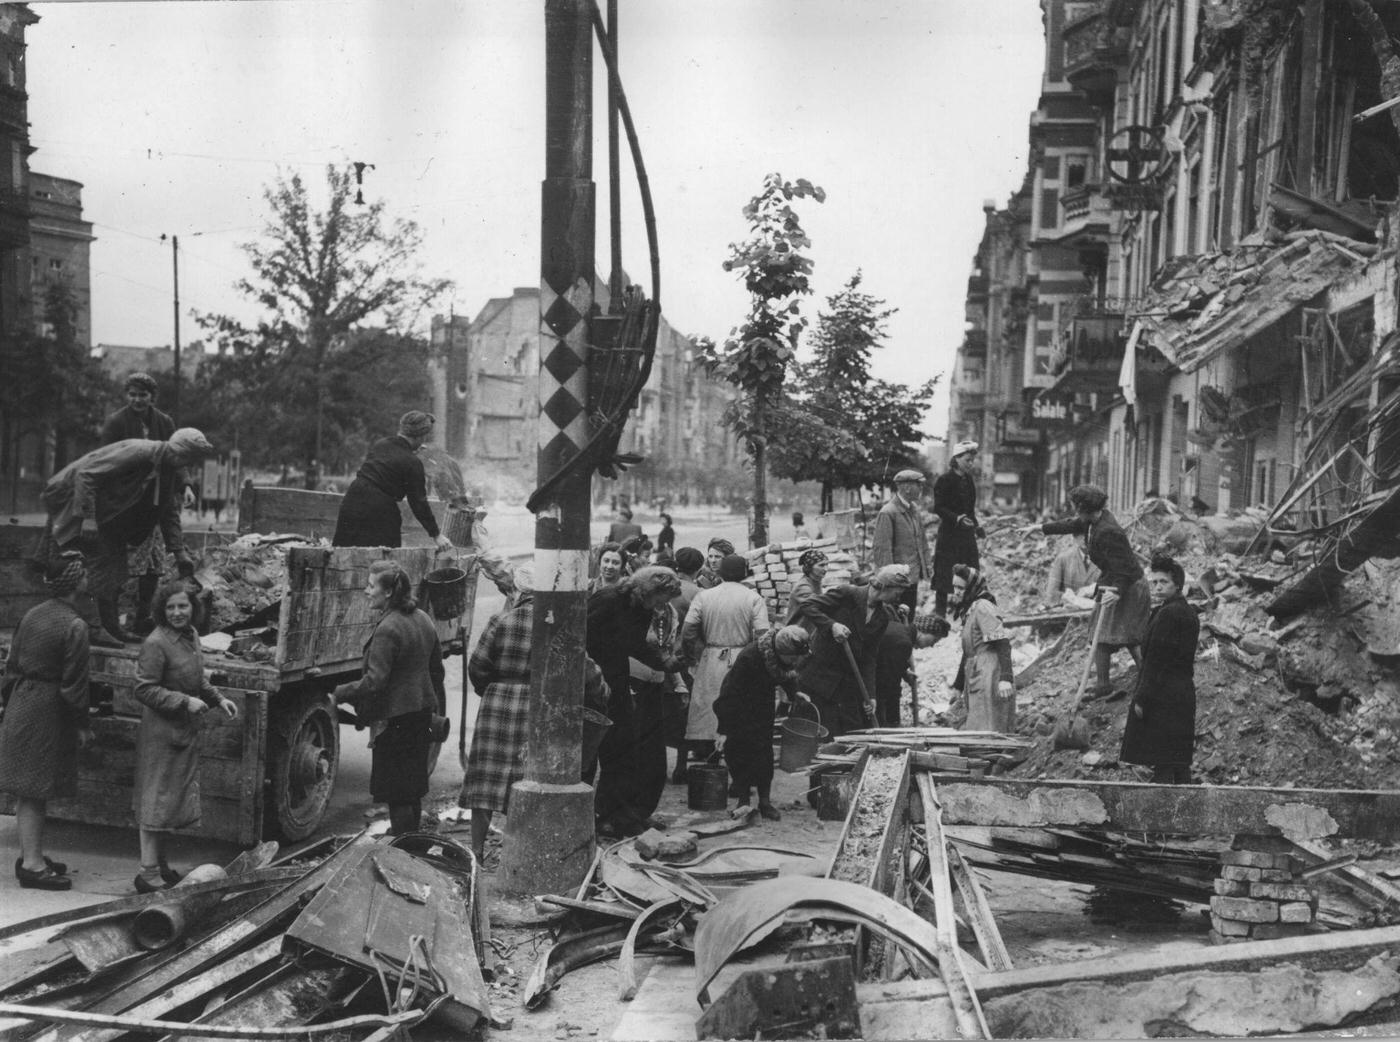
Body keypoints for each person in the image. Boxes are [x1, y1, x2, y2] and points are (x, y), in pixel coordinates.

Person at [459, 565, 608, 863]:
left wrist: (490, 689)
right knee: (530, 779)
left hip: (498, 704)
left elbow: (477, 666)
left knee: (485, 781)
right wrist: (601, 693)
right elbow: (586, 670)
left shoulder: (500, 620)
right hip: (541, 707)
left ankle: (476, 850)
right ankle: (522, 851)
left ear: (520, 591)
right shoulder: (560, 625)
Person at [41, 428, 214, 646]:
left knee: (115, 573)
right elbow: (87, 475)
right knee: (85, 572)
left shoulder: (170, 467)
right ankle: (92, 629)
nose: (187, 464)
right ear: (181, 452)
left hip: (111, 519)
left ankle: (112, 628)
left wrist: (178, 551)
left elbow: (167, 510)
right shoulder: (138, 452)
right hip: (78, 506)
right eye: (189, 458)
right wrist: (89, 518)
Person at [133, 580, 240, 892]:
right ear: (160, 610)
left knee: (170, 801)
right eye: (170, 607)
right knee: (156, 801)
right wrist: (183, 701)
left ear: (193, 608)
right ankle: (147, 873)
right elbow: (144, 688)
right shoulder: (156, 642)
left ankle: (160, 865)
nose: (177, 612)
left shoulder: (190, 636)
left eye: (183, 606)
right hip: (161, 733)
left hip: (182, 731)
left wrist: (218, 698)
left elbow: (195, 678)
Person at [0, 552, 93, 891]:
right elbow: (74, 685)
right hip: (48, 710)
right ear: (74, 582)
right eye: (83, 573)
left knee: (30, 788)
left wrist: (12, 703)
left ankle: (32, 854)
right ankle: (33, 865)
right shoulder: (75, 625)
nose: (87, 577)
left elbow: (11, 666)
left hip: (22, 701)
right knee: (35, 790)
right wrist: (81, 724)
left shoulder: (32, 614)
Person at [333, 561, 447, 837]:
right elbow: (437, 671)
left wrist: (339, 693)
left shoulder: (388, 629)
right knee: (413, 789)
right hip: (420, 713)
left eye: (371, 586)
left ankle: (402, 848)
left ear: (388, 593)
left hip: (394, 721)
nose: (366, 591)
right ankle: (411, 844)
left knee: (397, 794)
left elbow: (375, 681)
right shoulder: (422, 618)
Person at [586, 567, 684, 837]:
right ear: (648, 589)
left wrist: (664, 662)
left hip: (616, 681)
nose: (663, 605)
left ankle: (616, 813)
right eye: (662, 598)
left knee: (623, 749)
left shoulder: (642, 609)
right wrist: (592, 677)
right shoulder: (607, 600)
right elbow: (578, 640)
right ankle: (594, 817)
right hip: (591, 682)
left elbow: (635, 645)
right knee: (590, 752)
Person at [1042, 484, 1149, 699]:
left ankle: (1147, 678)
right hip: (1113, 582)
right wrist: (1039, 528)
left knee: (1122, 635)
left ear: (1085, 509)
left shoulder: (1109, 531)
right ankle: (1104, 685)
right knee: (1102, 634)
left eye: (1076, 508)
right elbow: (1070, 524)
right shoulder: (1095, 519)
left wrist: (1117, 591)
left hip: (1127, 585)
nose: (1074, 512)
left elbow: (1125, 566)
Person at [800, 565, 924, 738]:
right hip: (821, 672)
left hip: (847, 677)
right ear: (884, 586)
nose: (899, 597)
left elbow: (870, 657)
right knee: (819, 726)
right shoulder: (847, 594)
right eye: (897, 592)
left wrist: (871, 695)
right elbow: (807, 605)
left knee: (851, 728)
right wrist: (831, 625)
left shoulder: (882, 616)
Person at [100, 373, 179, 636]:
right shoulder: (116, 423)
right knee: (117, 566)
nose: (137, 400)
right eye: (132, 394)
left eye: (142, 395)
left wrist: (185, 485)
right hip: (122, 504)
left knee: (153, 565)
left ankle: (142, 618)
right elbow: (105, 462)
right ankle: (113, 624)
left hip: (151, 504)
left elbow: (175, 457)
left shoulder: (164, 423)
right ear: (127, 396)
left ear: (151, 397)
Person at [679, 554, 770, 782]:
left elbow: (688, 632)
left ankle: (713, 770)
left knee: (712, 714)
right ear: (744, 573)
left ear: (720, 573)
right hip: (743, 660)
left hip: (711, 658)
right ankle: (737, 777)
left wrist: (693, 657)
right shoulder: (753, 598)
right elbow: (763, 636)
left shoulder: (704, 596)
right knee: (740, 717)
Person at [714, 625, 811, 820]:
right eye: (792, 657)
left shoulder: (781, 658)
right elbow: (728, 693)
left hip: (762, 705)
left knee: (764, 753)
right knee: (739, 753)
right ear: (781, 651)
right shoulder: (750, 657)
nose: (795, 662)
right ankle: (743, 801)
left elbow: (787, 674)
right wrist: (724, 729)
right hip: (738, 707)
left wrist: (795, 693)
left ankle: (765, 802)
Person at [1120, 554, 1199, 784]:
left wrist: (1142, 698)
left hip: (1164, 697)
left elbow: (1156, 661)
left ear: (1178, 585)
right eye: (1154, 582)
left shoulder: (1170, 614)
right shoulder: (1184, 611)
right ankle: (1187, 812)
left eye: (1163, 582)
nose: (1157, 587)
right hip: (1181, 694)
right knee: (1177, 763)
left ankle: (1162, 814)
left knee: (1163, 763)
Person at [332, 411, 454, 551]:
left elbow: (387, 468)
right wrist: (436, 534)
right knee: (385, 561)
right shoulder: (413, 462)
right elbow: (418, 502)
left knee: (342, 552)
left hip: (352, 500)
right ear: (421, 436)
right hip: (379, 509)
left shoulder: (381, 444)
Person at [950, 564, 1016, 733]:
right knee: (978, 722)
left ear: (971, 587)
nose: (956, 592)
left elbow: (1002, 642)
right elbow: (968, 652)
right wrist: (958, 686)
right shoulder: (970, 610)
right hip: (976, 670)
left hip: (989, 672)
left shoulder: (983, 607)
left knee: (989, 722)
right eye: (954, 587)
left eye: (960, 587)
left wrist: (1006, 678)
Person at [932, 441, 983, 617]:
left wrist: (977, 526)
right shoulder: (945, 480)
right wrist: (957, 518)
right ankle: (940, 615)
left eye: (972, 460)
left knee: (971, 573)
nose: (971, 464)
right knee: (944, 575)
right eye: (968, 460)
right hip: (949, 535)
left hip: (966, 536)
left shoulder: (968, 480)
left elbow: (970, 510)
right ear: (957, 459)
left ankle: (968, 614)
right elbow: (938, 507)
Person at [872, 469, 932, 614]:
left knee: (908, 617)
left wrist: (926, 568)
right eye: (919, 485)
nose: (921, 489)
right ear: (907, 488)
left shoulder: (913, 509)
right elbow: (882, 550)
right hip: (897, 583)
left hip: (911, 578)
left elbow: (922, 541)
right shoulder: (888, 512)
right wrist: (890, 581)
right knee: (895, 619)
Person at [1044, 537, 1101, 608]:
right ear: (1074, 537)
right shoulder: (1063, 558)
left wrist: (1094, 590)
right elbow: (1051, 595)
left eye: (1087, 534)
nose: (1084, 538)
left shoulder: (1105, 558)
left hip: (1097, 612)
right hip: (1069, 612)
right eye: (1079, 534)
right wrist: (1072, 598)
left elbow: (1112, 590)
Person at [783, 548, 828, 630]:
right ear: (809, 567)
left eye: (826, 565)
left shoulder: (816, 582)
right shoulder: (802, 586)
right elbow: (818, 605)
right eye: (821, 565)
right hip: (797, 633)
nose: (826, 569)